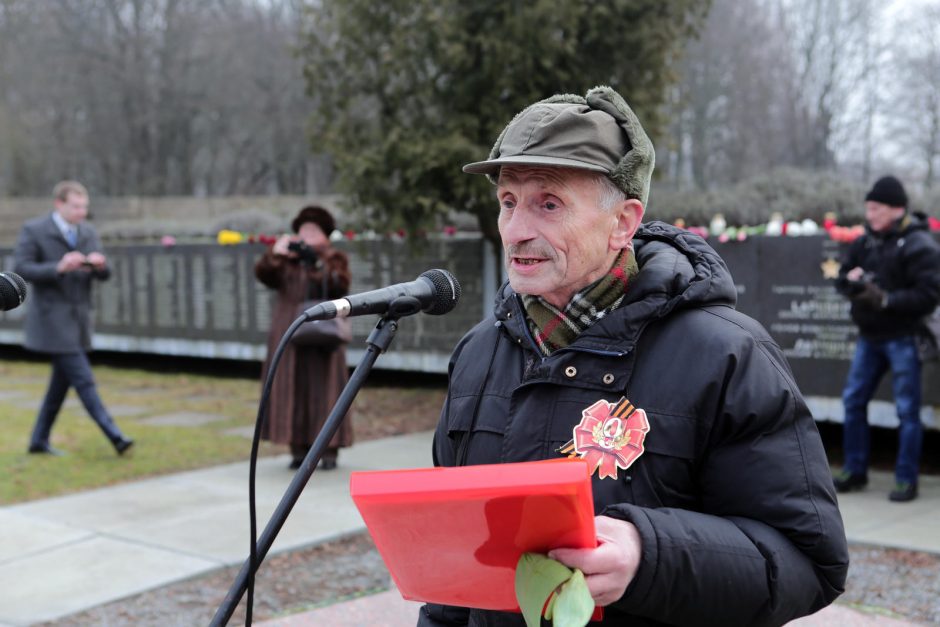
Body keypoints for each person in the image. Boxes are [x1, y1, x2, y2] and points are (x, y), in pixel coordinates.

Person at [419, 87, 848, 626]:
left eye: (548, 204)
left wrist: (649, 555)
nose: (517, 230)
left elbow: (808, 561)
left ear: (623, 222)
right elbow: (456, 574)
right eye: (508, 202)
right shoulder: (479, 353)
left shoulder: (727, 354)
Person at [832, 175, 940, 503]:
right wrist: (850, 283)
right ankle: (855, 470)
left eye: (875, 208)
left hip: (903, 337)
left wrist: (886, 300)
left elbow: (929, 295)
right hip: (869, 337)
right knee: (853, 402)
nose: (869, 214)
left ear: (896, 209)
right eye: (867, 207)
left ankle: (906, 480)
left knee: (906, 411)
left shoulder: (920, 244)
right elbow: (841, 277)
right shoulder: (864, 241)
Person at [13, 180, 134, 456]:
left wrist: (100, 265)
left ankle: (37, 441)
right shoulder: (35, 230)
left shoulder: (88, 232)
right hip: (52, 321)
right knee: (84, 380)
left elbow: (106, 274)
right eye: (76, 206)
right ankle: (115, 436)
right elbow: (21, 268)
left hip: (79, 319)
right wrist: (59, 266)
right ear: (60, 204)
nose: (82, 212)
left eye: (84, 206)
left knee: (59, 386)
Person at [254, 205, 353, 470]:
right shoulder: (287, 259)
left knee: (326, 389)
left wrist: (316, 263)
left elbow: (340, 284)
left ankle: (329, 450)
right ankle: (297, 448)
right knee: (291, 387)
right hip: (289, 330)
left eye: (313, 230)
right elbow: (264, 275)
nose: (307, 235)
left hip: (324, 331)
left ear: (325, 234)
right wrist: (277, 254)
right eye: (303, 230)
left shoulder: (335, 258)